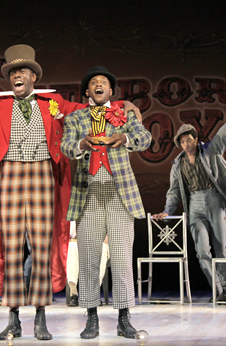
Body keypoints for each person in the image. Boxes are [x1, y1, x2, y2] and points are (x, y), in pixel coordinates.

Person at [0, 44, 139, 340]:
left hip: (43, 176)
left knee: (41, 250)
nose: (16, 75)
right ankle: (13, 319)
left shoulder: (54, 102)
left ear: (33, 76)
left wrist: (122, 105)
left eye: (22, 70)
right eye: (12, 72)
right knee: (10, 249)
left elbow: (92, 108)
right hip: (8, 176)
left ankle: (40, 317)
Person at [60, 66, 152, 339]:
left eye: (103, 82)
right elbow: (65, 145)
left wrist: (124, 137)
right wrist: (81, 145)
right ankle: (91, 319)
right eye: (93, 83)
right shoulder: (76, 118)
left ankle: (125, 318)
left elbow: (145, 138)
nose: (98, 85)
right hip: (87, 194)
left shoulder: (124, 116)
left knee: (122, 258)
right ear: (87, 91)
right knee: (89, 259)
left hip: (119, 192)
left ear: (111, 91)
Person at [152, 94, 226, 303]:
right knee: (201, 250)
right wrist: (167, 211)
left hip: (215, 200)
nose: (186, 143)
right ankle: (216, 290)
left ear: (196, 140)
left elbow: (224, 135)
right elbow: (174, 192)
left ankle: (225, 289)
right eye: (182, 141)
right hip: (195, 205)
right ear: (179, 144)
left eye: (189, 139)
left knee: (220, 246)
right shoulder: (177, 164)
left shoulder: (210, 151)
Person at [66, 221, 109, 307]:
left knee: (102, 249)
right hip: (78, 241)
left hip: (99, 241)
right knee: (71, 247)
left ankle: (94, 293)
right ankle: (73, 293)